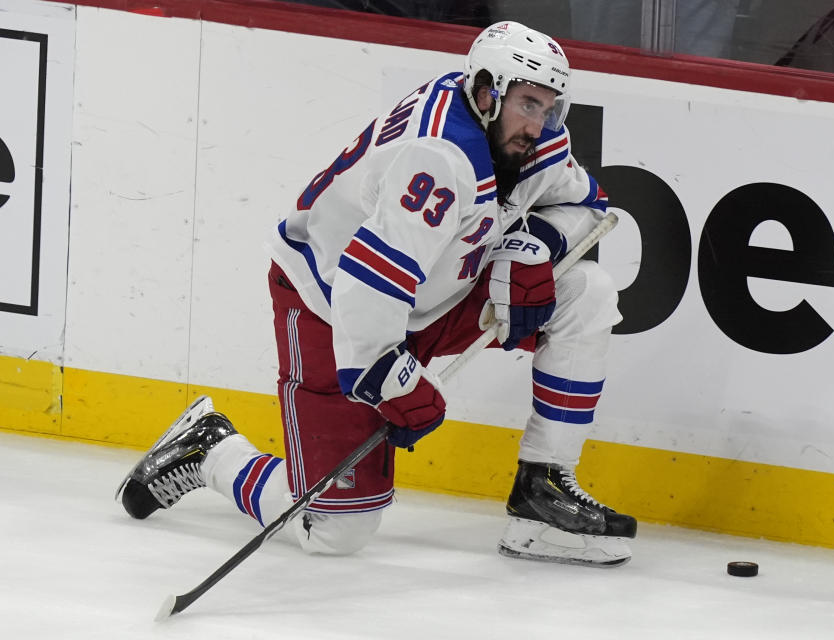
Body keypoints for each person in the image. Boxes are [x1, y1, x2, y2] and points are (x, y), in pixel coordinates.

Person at [116, 21, 637, 567]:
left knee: (587, 291)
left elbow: (590, 209)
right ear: (487, 92)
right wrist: (390, 377)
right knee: (336, 531)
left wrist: (532, 243)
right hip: (332, 306)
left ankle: (541, 494)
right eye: (528, 104)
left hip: (436, 291)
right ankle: (211, 450)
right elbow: (368, 286)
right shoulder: (437, 157)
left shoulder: (533, 137)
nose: (539, 123)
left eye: (549, 107)